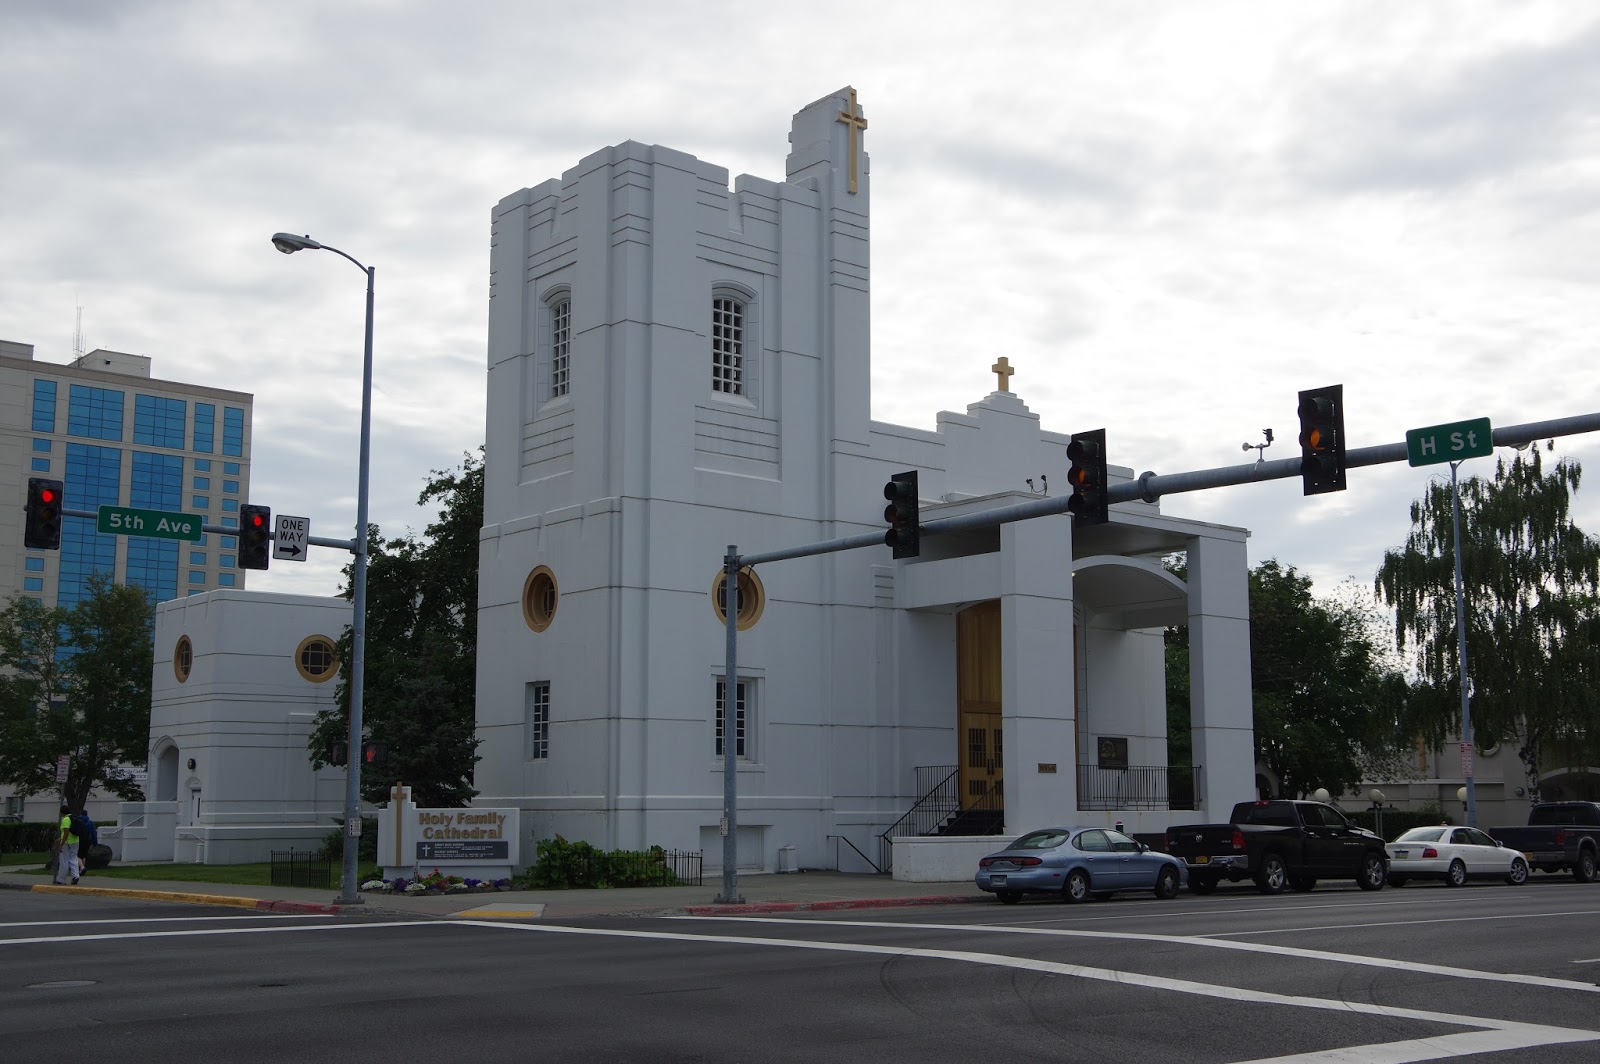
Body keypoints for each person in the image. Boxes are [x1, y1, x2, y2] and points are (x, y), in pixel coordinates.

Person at [54, 804, 79, 885]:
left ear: (62, 812)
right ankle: (76, 876)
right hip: (75, 841)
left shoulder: (65, 820)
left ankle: (61, 879)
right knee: (73, 858)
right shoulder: (73, 818)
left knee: (64, 860)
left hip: (67, 843)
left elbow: (66, 832)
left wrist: (61, 843)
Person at [74, 808, 96, 879]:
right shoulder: (90, 822)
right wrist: (95, 842)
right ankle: (82, 870)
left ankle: (82, 867)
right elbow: (93, 833)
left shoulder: (78, 821)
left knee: (77, 855)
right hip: (88, 840)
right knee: (83, 855)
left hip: (79, 839)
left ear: (81, 814)